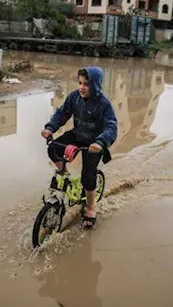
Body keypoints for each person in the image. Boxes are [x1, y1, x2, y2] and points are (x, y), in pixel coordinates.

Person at [41, 66, 117, 229]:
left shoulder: (104, 104)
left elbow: (111, 126)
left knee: (88, 177)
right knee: (53, 148)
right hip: (78, 135)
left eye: (87, 84)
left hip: (94, 143)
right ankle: (66, 176)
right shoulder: (74, 97)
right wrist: (50, 128)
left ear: (96, 85)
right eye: (80, 83)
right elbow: (62, 113)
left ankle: (90, 207)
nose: (82, 87)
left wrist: (100, 142)